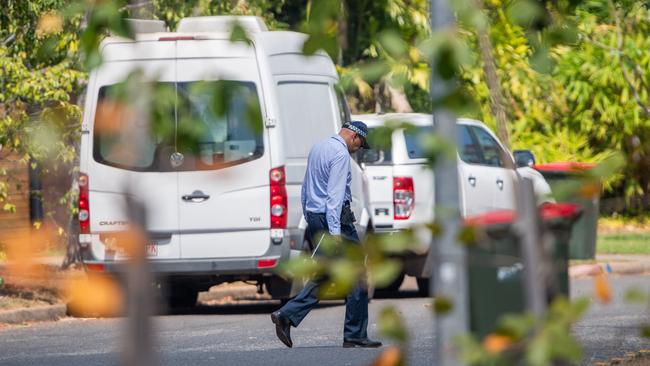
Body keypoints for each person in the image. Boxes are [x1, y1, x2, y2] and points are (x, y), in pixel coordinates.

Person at [270, 121, 382, 349]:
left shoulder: (318, 147)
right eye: (361, 144)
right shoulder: (341, 155)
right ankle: (350, 332)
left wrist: (310, 215)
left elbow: (305, 187)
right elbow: (335, 197)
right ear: (354, 136)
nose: (359, 149)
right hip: (335, 220)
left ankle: (351, 333)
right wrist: (335, 233)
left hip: (315, 216)